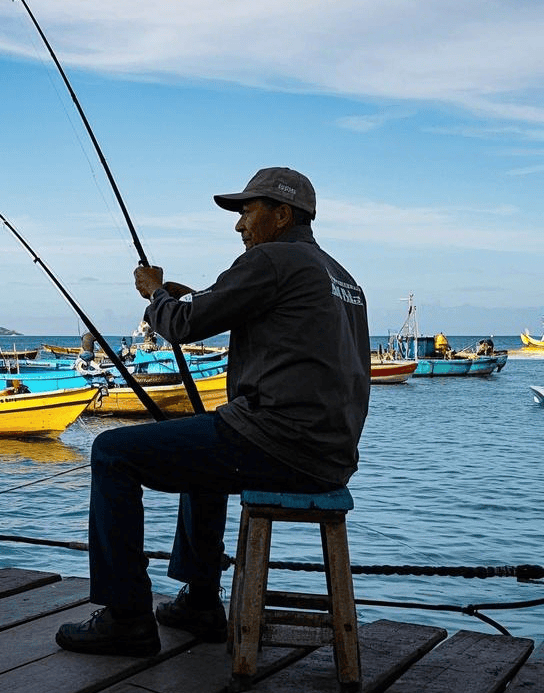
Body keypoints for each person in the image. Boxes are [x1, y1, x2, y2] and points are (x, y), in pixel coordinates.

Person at [56, 167, 370, 657]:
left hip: (279, 445)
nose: (239, 225)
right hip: (330, 459)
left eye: (248, 211)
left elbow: (182, 325)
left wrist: (155, 294)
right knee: (205, 441)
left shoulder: (270, 259)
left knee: (112, 451)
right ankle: (200, 603)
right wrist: (195, 296)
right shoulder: (341, 279)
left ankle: (126, 617)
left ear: (281, 215)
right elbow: (237, 306)